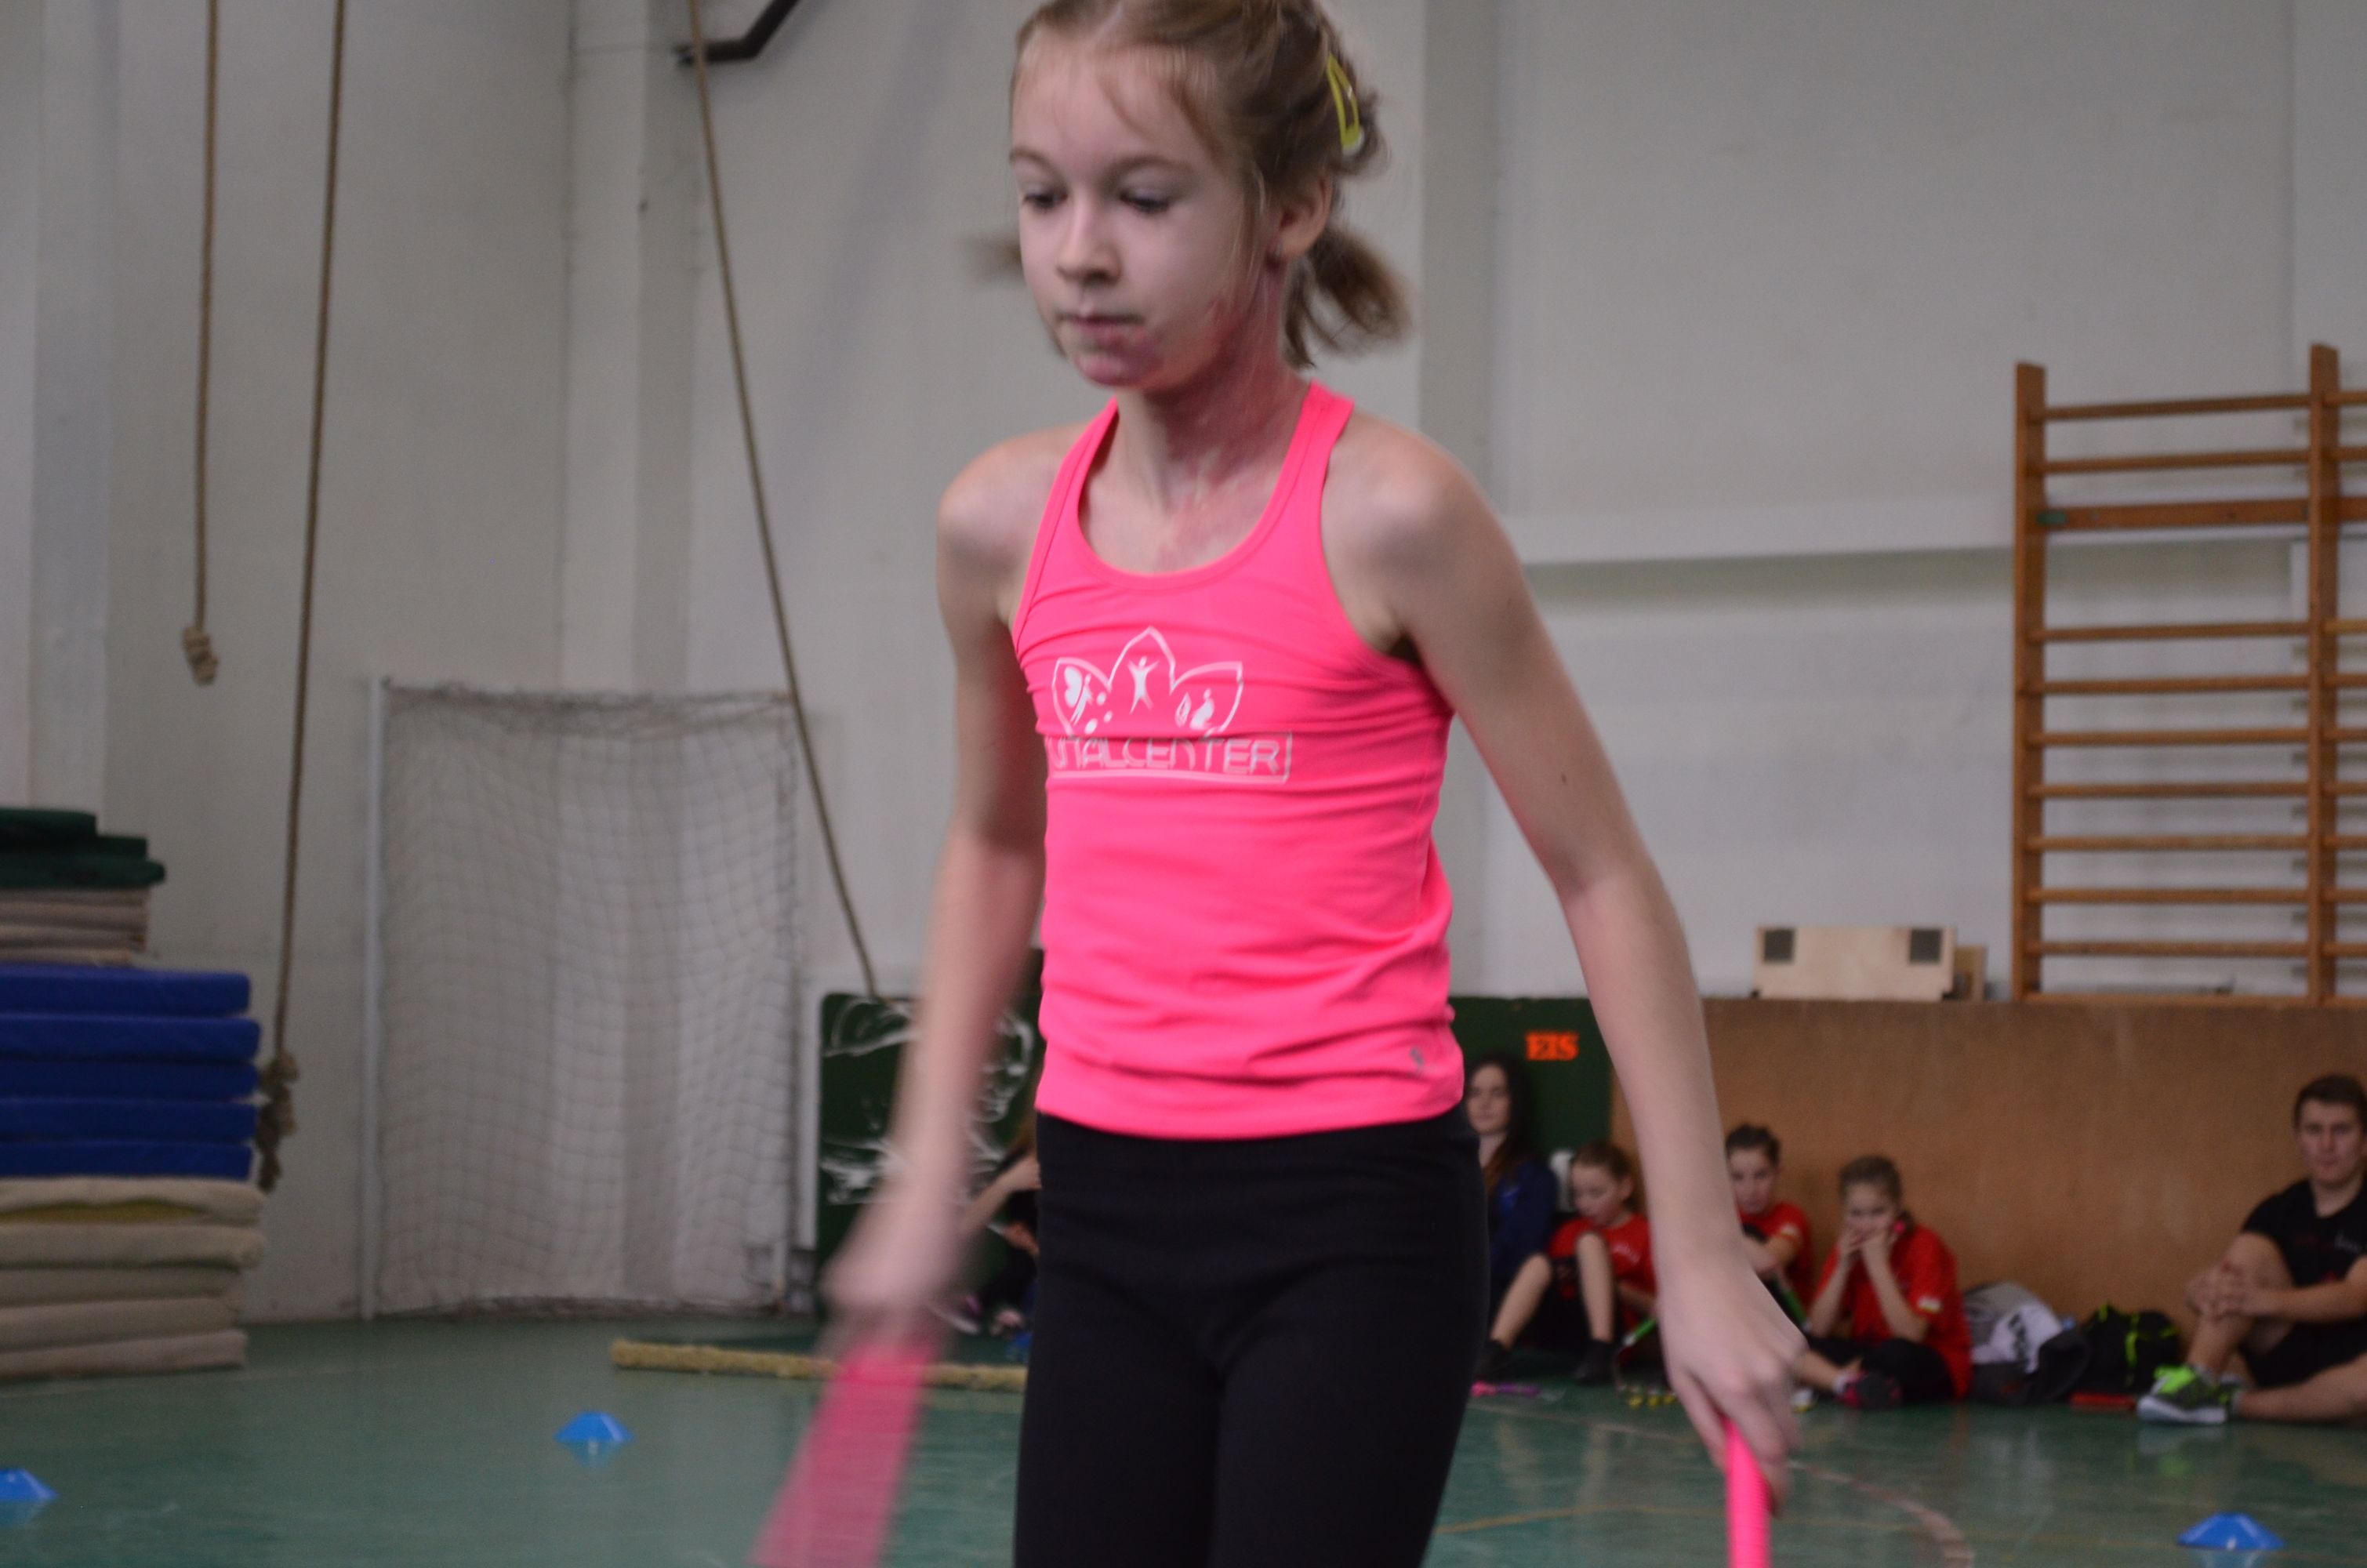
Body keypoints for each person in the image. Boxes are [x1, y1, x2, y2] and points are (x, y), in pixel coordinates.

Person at [822, 4, 1802, 1560]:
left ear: (1289, 206)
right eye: (1040, 194)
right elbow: (999, 842)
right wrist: (926, 1159)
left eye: (1143, 198)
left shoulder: (1393, 516)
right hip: (1101, 1214)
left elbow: (1601, 871)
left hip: (1348, 1222)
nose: (1078, 253)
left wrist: (1694, 1251)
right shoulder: (997, 528)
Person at [2139, 1073, 2367, 1425]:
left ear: (2364, 1141)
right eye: (2314, 1130)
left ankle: (2232, 1402)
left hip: (2353, 1364)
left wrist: (2263, 1300)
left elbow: (2357, 1296)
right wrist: (2200, 1290)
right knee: (2249, 1254)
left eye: (2341, 1130)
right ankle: (2196, 1379)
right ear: (2298, 1141)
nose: (2326, 1145)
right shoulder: (2279, 1209)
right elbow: (2234, 1280)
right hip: (2285, 1351)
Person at [1794, 1156, 1971, 1410]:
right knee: (1796, 1342)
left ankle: (1833, 1381)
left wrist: (1878, 1264)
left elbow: (1911, 1336)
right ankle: (1850, 1383)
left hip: (1931, 1358)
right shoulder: (1848, 1247)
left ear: (1897, 1209)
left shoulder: (1925, 1245)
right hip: (1870, 1352)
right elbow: (1818, 1329)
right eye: (1856, 1214)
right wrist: (1843, 1266)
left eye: (1878, 1212)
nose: (1867, 1225)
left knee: (1896, 1355)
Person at [1468, 1052, 1558, 1381]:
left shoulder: (1535, 1175)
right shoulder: (1447, 1168)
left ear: (1514, 1101)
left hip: (1497, 1288)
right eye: (1475, 1093)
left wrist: (1473, 1268)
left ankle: (1492, 1354)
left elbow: (1524, 1244)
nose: (1484, 1103)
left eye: (1498, 1093)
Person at [1541, 1141, 1656, 1384]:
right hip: (1569, 1329)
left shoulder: (1645, 1234)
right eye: (1577, 1194)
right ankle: (1496, 1348)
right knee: (1537, 1265)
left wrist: (1608, 1285)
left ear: (1624, 1188)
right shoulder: (1569, 1232)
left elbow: (1658, 1308)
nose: (1584, 1204)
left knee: (1589, 1244)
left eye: (1595, 1193)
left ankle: (1600, 1351)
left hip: (1619, 1334)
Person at [1727, 1123, 1813, 1312]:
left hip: (1785, 1320)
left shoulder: (1792, 1217)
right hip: (1738, 1316)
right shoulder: (1727, 1216)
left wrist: (1720, 1236)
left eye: (1760, 1175)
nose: (1750, 1190)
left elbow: (1768, 1262)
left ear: (1777, 1172)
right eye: (1738, 1177)